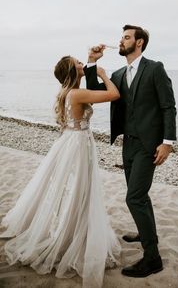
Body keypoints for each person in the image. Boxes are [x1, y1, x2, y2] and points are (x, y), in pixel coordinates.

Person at [0, 56, 121, 288]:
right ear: (72, 71)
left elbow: (91, 93)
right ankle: (70, 234)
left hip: (71, 141)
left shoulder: (69, 92)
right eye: (78, 62)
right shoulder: (76, 94)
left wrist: (91, 61)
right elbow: (113, 94)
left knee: (72, 189)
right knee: (77, 189)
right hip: (78, 145)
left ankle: (72, 228)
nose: (81, 65)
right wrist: (104, 74)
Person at [84, 24, 177, 278]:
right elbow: (94, 93)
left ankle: (152, 257)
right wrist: (92, 63)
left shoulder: (155, 68)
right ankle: (146, 231)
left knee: (134, 197)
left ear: (139, 43)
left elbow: (168, 107)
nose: (120, 41)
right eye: (121, 37)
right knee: (138, 195)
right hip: (129, 144)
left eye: (126, 37)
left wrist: (167, 142)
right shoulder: (117, 73)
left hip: (150, 145)